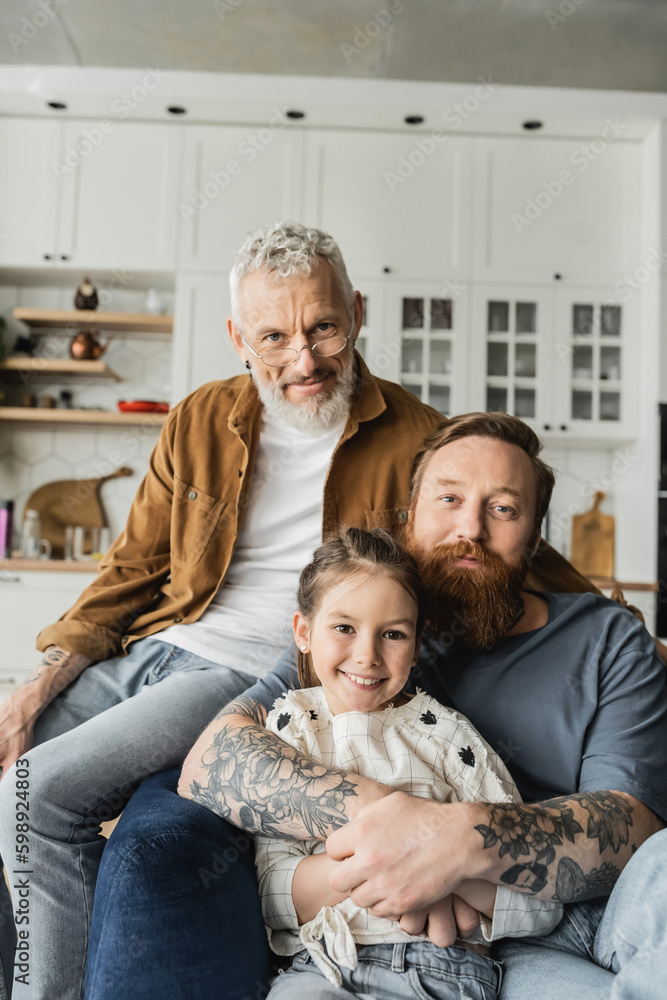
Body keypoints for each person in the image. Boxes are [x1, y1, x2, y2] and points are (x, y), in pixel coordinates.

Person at [0, 224, 591, 1000]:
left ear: (357, 312)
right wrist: (39, 684)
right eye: (273, 337)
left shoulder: (416, 436)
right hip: (153, 647)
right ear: (236, 337)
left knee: (35, 794)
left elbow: (503, 540)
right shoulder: (200, 416)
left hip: (244, 670)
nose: (303, 360)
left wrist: (619, 622)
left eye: (323, 328)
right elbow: (132, 568)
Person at [168, 412, 666, 1000]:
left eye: (503, 508)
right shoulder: (365, 624)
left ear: (535, 538)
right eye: (448, 499)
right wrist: (405, 832)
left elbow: (633, 829)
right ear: (410, 517)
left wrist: (459, 841)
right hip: (425, 936)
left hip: (569, 914)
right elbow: (213, 763)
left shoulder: (607, 638)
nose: (471, 528)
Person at [250, 526, 562, 998]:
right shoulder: (288, 734)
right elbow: (273, 892)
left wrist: (444, 871)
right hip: (326, 966)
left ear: (416, 647)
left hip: (446, 969)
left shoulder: (448, 738)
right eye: (344, 628)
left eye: (393, 634)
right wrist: (395, 865)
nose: (367, 656)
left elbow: (540, 901)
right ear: (303, 632)